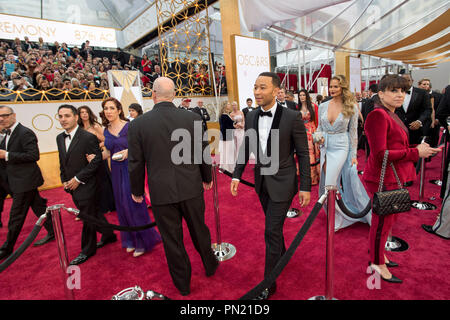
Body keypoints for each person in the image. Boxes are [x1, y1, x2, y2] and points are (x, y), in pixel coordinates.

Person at [128, 77, 218, 296]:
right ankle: (211, 265)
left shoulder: (138, 124)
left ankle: (183, 284)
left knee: (172, 240)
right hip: (191, 187)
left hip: (161, 191)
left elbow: (136, 162)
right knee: (200, 229)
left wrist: (137, 190)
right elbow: (202, 150)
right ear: (175, 95)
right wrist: (207, 177)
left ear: (153, 95)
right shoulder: (192, 118)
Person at [231, 72, 311, 300]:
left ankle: (268, 283)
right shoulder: (253, 115)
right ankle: (283, 254)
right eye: (255, 87)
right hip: (261, 182)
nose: (257, 92)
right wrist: (237, 174)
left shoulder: (292, 117)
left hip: (284, 182)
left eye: (262, 87)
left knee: (270, 230)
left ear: (276, 90)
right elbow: (247, 145)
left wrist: (305, 185)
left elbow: (303, 154)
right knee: (273, 227)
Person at [363, 75, 440, 282]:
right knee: (381, 223)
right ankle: (376, 263)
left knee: (387, 223)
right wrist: (416, 153)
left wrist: (419, 149)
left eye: (403, 91)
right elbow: (380, 154)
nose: (400, 95)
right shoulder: (378, 115)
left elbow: (396, 147)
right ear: (380, 94)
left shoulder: (392, 114)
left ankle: (378, 256)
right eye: (394, 90)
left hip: (392, 176)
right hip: (382, 177)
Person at [93, 97, 161, 258]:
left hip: (132, 168)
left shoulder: (130, 126)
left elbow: (143, 145)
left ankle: (143, 241)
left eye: (111, 108)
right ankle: (130, 239)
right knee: (122, 205)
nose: (108, 111)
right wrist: (95, 157)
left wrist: (128, 152)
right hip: (116, 171)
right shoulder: (106, 130)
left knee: (133, 203)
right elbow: (109, 151)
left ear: (118, 110)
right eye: (105, 108)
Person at [56, 105, 117, 265]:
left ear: (76, 117)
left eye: (67, 116)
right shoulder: (59, 138)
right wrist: (64, 179)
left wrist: (77, 179)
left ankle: (87, 250)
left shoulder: (87, 137)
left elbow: (96, 161)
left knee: (87, 216)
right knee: (94, 213)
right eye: (60, 116)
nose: (63, 119)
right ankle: (109, 234)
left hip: (88, 184)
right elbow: (63, 162)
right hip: (72, 185)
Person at [316, 75, 371, 231]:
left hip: (342, 146)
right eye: (331, 86)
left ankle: (339, 218)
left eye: (336, 86)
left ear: (343, 88)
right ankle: (337, 215)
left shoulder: (351, 107)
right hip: (325, 147)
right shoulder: (322, 106)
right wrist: (317, 136)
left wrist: (353, 156)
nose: (332, 89)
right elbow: (319, 128)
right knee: (327, 180)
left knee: (331, 183)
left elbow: (353, 133)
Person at [0, 106, 55, 261]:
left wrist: (7, 155)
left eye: (5, 115)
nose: (2, 119)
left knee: (16, 216)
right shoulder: (7, 134)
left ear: (13, 116)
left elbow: (33, 155)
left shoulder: (24, 132)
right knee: (39, 207)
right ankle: (54, 231)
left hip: (25, 182)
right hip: (16, 180)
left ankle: (7, 248)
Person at [77, 106, 115, 216]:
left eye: (86, 112)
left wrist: (95, 146)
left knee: (103, 181)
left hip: (98, 157)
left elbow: (106, 140)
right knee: (91, 183)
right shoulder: (79, 128)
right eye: (82, 112)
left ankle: (108, 205)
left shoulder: (95, 126)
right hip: (85, 159)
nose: (84, 114)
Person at [395, 74, 432, 146]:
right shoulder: (395, 93)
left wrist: (419, 121)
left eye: (408, 80)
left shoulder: (422, 93)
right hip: (399, 129)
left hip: (416, 129)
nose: (405, 82)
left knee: (414, 152)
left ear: (412, 81)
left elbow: (428, 110)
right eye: (403, 81)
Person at [298, 89, 320, 185]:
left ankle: (314, 177)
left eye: (303, 95)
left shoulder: (313, 106)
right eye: (300, 95)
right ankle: (305, 176)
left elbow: (317, 121)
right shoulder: (297, 107)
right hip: (302, 132)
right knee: (304, 154)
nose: (302, 97)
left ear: (306, 96)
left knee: (313, 154)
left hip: (312, 131)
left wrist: (318, 135)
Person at [218, 101, 235, 173]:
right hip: (226, 137)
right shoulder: (224, 116)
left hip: (227, 136)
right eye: (228, 104)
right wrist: (235, 127)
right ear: (225, 106)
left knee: (227, 152)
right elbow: (224, 128)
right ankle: (228, 168)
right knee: (228, 153)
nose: (230, 105)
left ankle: (226, 167)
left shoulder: (225, 115)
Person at [230, 101, 245, 166]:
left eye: (235, 105)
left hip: (241, 129)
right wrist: (236, 126)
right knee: (236, 144)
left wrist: (243, 125)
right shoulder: (231, 114)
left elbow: (243, 120)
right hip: (235, 129)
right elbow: (231, 123)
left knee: (241, 143)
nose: (234, 106)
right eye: (233, 105)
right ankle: (237, 158)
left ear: (237, 105)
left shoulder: (241, 112)